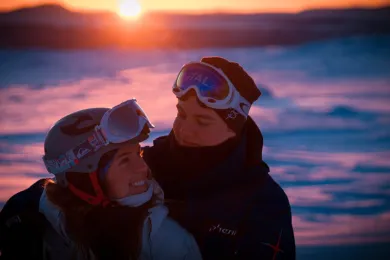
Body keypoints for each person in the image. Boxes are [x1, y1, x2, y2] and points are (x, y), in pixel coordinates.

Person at [0, 99, 202, 260]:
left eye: (138, 154)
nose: (143, 167)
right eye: (124, 161)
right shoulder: (32, 232)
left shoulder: (169, 243)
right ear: (85, 179)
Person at [142, 57, 296, 259]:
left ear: (234, 129)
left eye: (203, 121)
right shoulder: (142, 171)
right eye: (181, 114)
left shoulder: (262, 202)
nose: (185, 130)